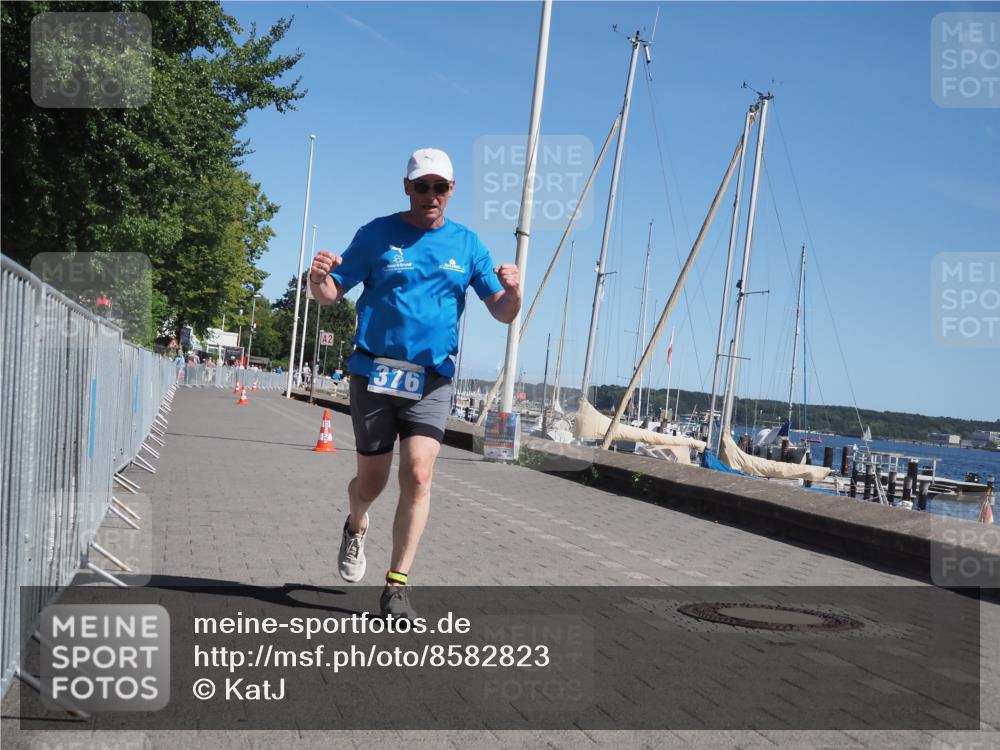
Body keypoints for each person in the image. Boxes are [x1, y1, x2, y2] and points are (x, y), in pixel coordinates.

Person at [308, 148, 520, 619]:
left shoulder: (467, 244)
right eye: (421, 186)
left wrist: (516, 291)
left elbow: (502, 311)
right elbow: (329, 294)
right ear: (407, 187)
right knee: (372, 482)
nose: (430, 196)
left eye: (439, 187)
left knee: (420, 474)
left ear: (451, 190)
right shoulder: (377, 234)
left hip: (432, 379)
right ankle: (356, 523)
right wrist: (315, 278)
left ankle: (396, 585)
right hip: (375, 373)